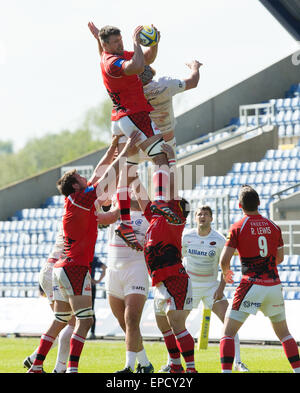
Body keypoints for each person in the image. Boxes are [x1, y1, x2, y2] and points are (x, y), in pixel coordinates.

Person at [27, 132, 141, 373]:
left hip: (60, 268)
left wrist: (112, 149)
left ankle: (37, 365)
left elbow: (102, 182)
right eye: (81, 177)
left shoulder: (79, 203)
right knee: (84, 320)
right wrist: (127, 148)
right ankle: (70, 369)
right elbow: (106, 176)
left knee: (61, 321)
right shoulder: (81, 199)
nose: (86, 178)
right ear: (76, 186)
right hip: (74, 267)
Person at [88, 22, 182, 251]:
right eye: (116, 42)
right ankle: (159, 201)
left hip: (120, 120)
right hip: (134, 115)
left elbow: (147, 58)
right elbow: (138, 65)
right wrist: (135, 41)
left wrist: (154, 43)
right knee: (162, 155)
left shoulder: (110, 55)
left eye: (121, 40)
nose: (120, 44)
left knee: (128, 169)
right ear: (107, 45)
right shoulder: (112, 62)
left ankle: (126, 223)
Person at [219, 184, 300, 373]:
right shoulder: (273, 226)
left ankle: (225, 372)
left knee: (228, 333)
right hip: (273, 285)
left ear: (240, 205)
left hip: (251, 284)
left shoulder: (239, 226)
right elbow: (280, 258)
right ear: (259, 203)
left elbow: (224, 259)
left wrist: (227, 273)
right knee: (284, 334)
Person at [133, 144, 197, 373]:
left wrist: (171, 160)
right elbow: (141, 197)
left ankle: (191, 370)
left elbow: (173, 189)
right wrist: (130, 171)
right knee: (163, 325)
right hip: (160, 280)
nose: (167, 198)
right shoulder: (156, 218)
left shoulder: (175, 217)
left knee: (177, 325)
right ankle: (176, 367)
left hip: (173, 277)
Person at [96, 192, 153, 373]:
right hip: (114, 270)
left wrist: (120, 203)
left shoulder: (147, 214)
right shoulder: (115, 214)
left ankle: (128, 366)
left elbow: (139, 203)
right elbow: (99, 217)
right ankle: (144, 363)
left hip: (136, 269)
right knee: (125, 323)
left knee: (131, 319)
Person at [23, 222, 75, 373]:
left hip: (49, 268)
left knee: (62, 322)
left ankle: (34, 360)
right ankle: (60, 368)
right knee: (70, 323)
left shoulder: (70, 214)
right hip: (59, 269)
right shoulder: (80, 213)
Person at [139, 61, 202, 158]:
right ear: (150, 71)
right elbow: (193, 82)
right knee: (169, 172)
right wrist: (195, 67)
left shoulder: (134, 94)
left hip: (146, 142)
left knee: (130, 170)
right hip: (168, 141)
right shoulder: (166, 84)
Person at [88, 256, 107, 340]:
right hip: (85, 285)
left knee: (90, 309)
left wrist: (97, 281)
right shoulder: (92, 258)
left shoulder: (93, 258)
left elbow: (104, 268)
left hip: (89, 286)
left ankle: (92, 332)